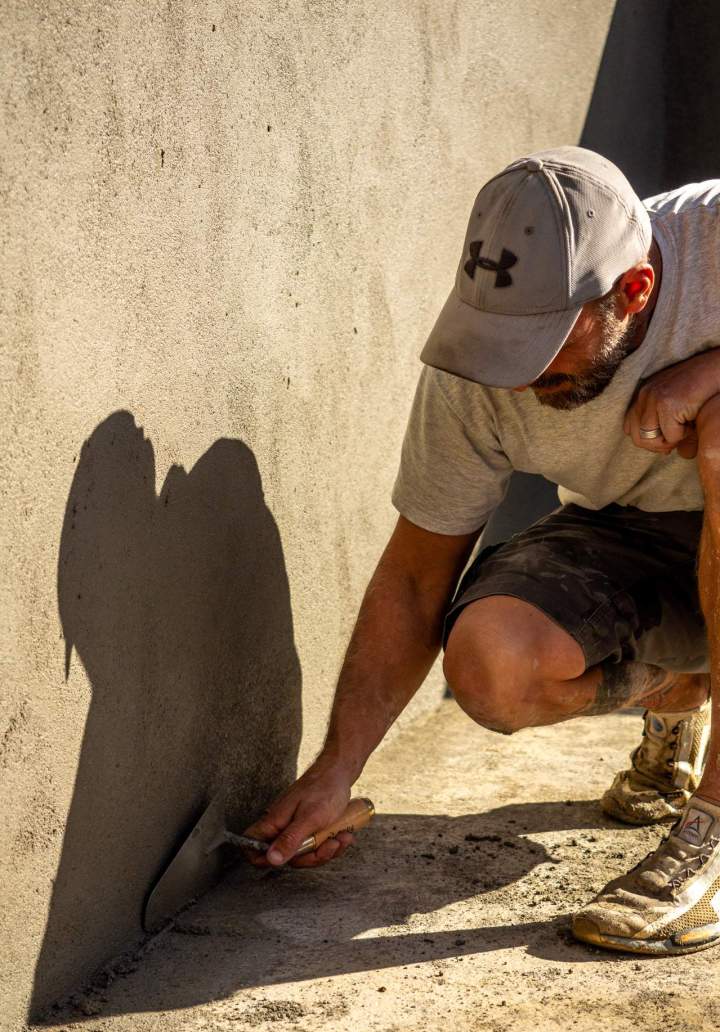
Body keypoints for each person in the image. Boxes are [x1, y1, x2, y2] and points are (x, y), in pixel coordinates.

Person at [246, 146, 720, 957]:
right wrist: (336, 769)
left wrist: (710, 372)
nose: (510, 373)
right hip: (641, 533)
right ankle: (685, 690)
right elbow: (412, 576)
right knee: (494, 664)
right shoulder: (478, 367)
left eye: (542, 343)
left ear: (633, 292)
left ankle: (712, 834)